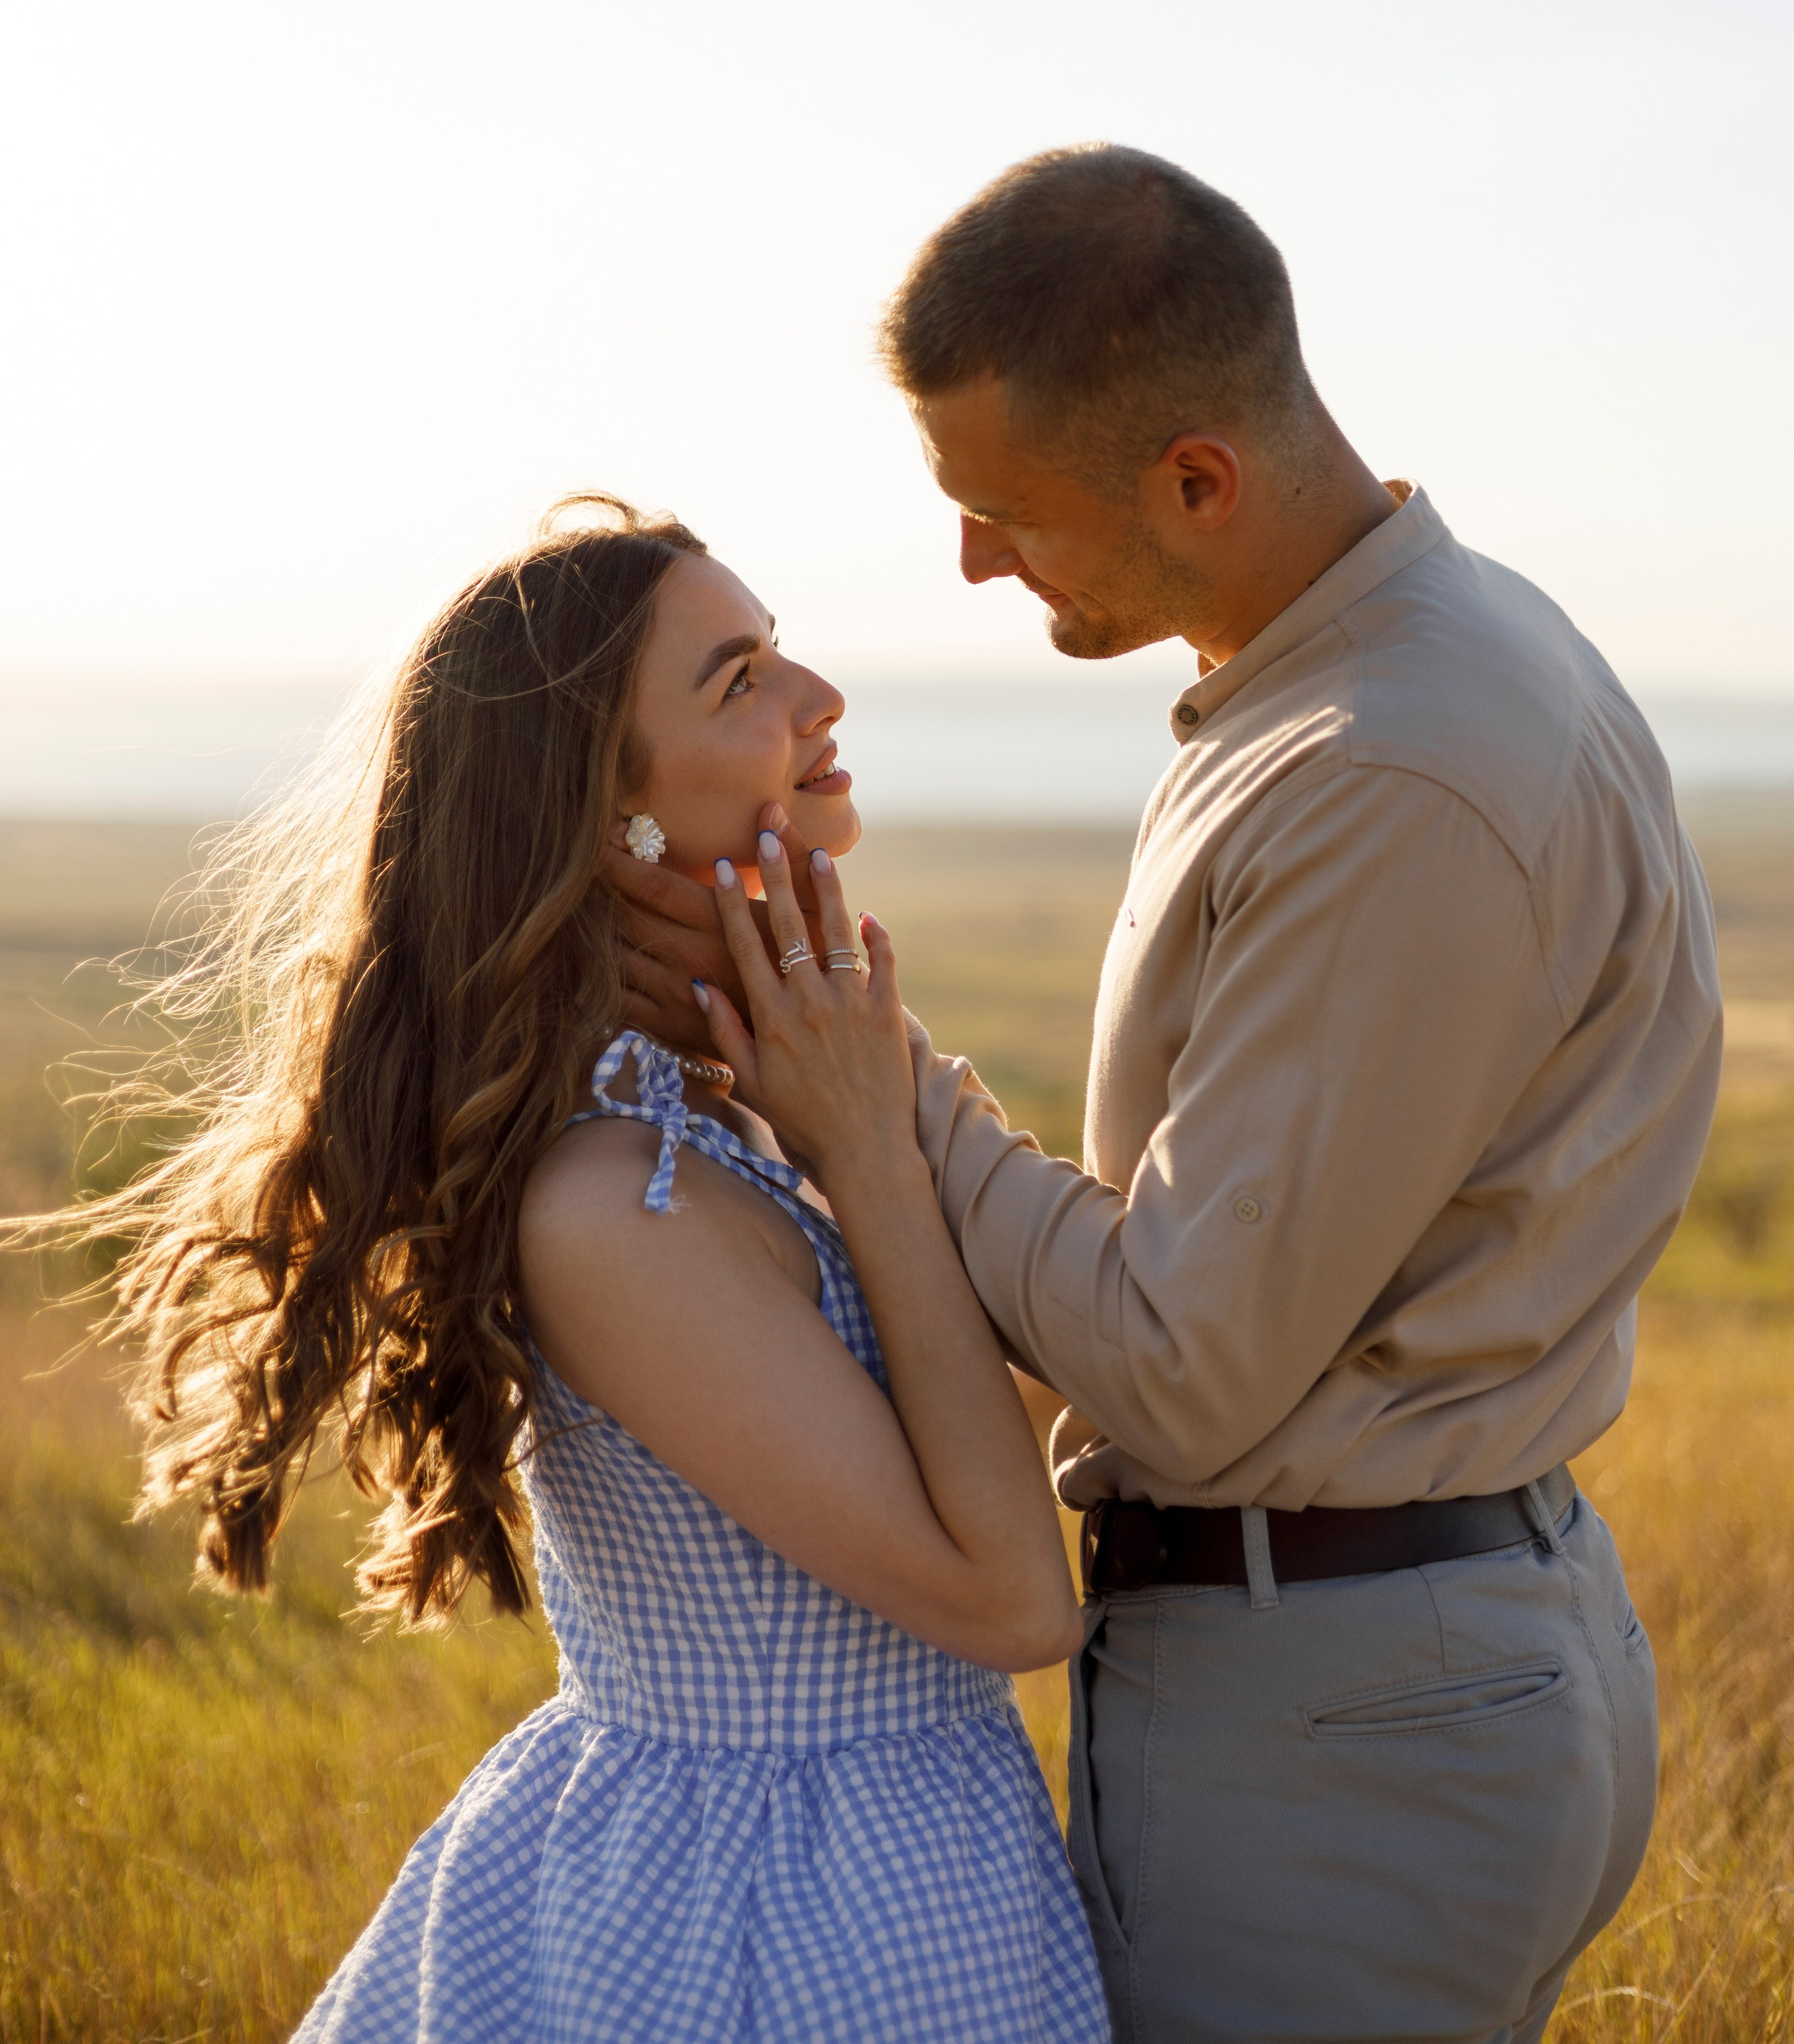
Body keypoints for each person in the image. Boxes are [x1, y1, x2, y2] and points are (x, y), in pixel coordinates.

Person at [615, 146, 1724, 2044]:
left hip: (1338, 1736)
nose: (972, 564)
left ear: (1196, 479)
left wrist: (871, 1084)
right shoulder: (1372, 674)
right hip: (1393, 1671)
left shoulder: (1383, 772)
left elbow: (1189, 1367)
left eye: (1003, 513)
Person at [10, 498, 1108, 2044]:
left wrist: (871, 1098)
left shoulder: (740, 1115)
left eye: (780, 652)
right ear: (608, 817)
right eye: (740, 681)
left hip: (920, 1865)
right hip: (764, 1914)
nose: (818, 699)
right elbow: (1013, 1599)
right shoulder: (614, 1206)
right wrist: (871, 1153)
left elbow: (1055, 1407)